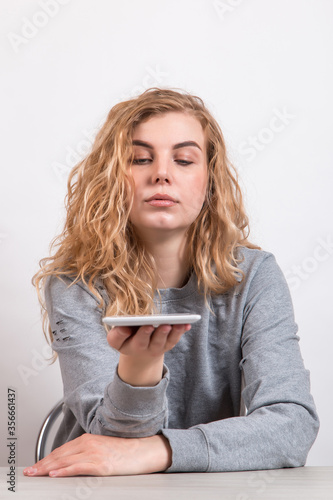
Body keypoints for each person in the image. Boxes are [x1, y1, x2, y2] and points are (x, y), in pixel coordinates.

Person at [25, 88, 319, 478]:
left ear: (209, 181)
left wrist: (162, 450)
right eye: (140, 159)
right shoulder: (75, 284)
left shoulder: (254, 276)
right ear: (113, 178)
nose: (161, 173)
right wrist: (140, 366)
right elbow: (111, 444)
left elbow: (292, 425)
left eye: (183, 159)